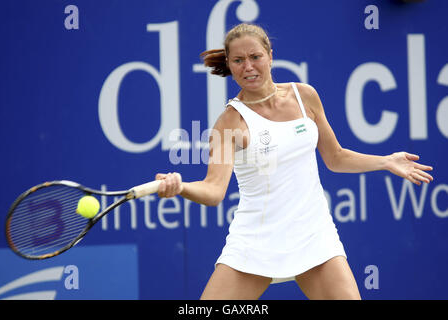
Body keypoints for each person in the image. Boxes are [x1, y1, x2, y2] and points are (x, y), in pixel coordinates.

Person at [155, 23, 434, 300]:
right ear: (229, 64)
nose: (248, 67)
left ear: (270, 55)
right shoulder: (230, 122)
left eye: (255, 57)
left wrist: (386, 161)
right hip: (255, 242)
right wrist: (180, 187)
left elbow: (335, 158)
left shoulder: (305, 96)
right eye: (238, 60)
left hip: (313, 234)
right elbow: (214, 190)